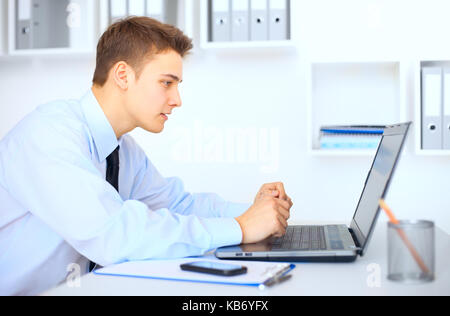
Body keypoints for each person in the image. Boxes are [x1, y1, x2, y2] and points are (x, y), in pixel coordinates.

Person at [0, 17, 293, 296]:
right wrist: (241, 228)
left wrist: (257, 212)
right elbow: (114, 234)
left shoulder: (121, 150)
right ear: (123, 75)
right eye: (167, 82)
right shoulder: (50, 135)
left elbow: (178, 204)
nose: (177, 99)